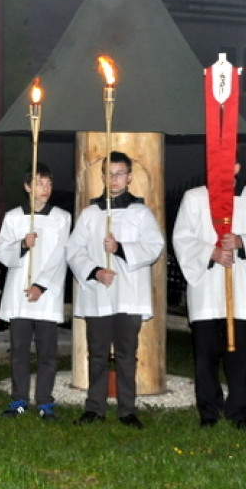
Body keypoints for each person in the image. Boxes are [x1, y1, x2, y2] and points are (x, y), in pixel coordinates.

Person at [172, 164, 246, 429]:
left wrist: (243, 242)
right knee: (205, 356)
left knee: (240, 356)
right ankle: (208, 411)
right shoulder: (194, 197)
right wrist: (212, 253)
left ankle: (239, 411)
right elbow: (182, 237)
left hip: (241, 289)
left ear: (236, 166)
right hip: (207, 289)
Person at [66, 151, 165, 429]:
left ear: (130, 177)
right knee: (97, 354)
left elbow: (154, 247)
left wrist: (120, 249)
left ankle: (127, 410)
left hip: (129, 294)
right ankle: (94, 408)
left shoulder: (141, 213)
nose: (114, 179)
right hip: (99, 293)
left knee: (125, 355)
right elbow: (74, 250)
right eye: (109, 173)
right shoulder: (90, 214)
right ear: (102, 177)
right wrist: (96, 271)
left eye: (120, 173)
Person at [0, 163, 71, 421]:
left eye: (49, 183)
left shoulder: (62, 217)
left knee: (47, 352)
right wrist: (22, 245)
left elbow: (61, 255)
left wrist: (41, 285)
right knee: (19, 350)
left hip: (47, 295)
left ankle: (45, 402)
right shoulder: (13, 217)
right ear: (27, 186)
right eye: (39, 183)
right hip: (19, 292)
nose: (45, 189)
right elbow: (2, 253)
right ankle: (19, 398)